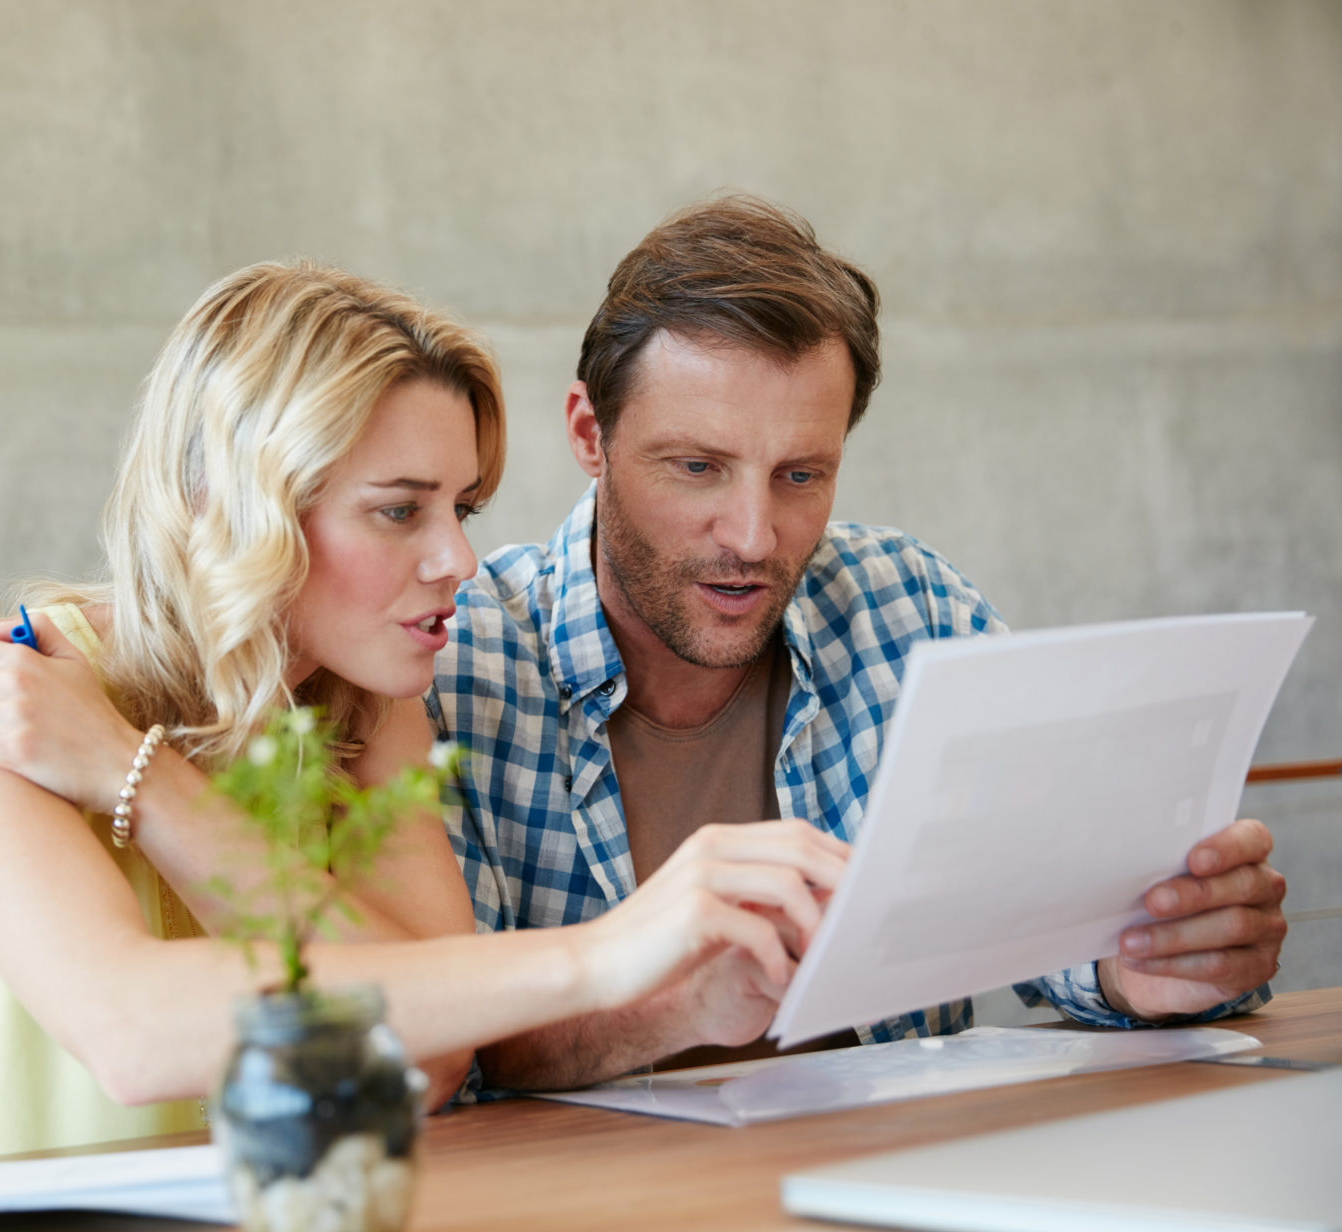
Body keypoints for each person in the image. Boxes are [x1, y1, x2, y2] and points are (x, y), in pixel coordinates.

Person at [0, 261, 844, 1166]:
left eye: (463, 507)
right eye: (399, 509)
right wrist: (610, 952)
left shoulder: (363, 706)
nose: (457, 558)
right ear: (232, 504)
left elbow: (439, 1055)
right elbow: (130, 1029)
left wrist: (129, 772)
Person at [427, 194, 1288, 1091]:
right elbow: (455, 1058)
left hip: (887, 1189)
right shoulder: (458, 663)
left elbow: (1040, 916)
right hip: (595, 1215)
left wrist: (1146, 965)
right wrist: (678, 1006)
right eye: (697, 468)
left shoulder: (909, 607)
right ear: (588, 436)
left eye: (801, 475)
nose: (754, 536)